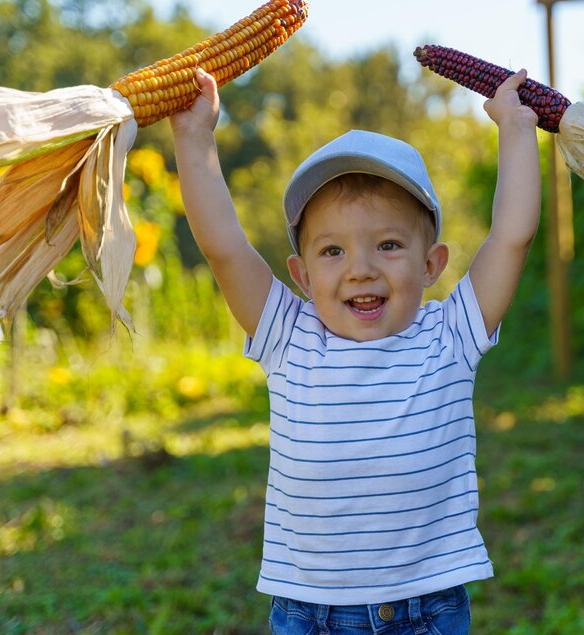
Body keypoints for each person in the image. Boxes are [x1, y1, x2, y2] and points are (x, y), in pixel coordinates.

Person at [171, 64, 540, 634]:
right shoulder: (288, 338)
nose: (361, 270)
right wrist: (195, 141)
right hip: (308, 611)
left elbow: (510, 237)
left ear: (431, 264)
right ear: (300, 274)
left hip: (425, 609)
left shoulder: (450, 335)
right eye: (332, 252)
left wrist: (516, 132)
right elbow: (224, 247)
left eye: (388, 245)